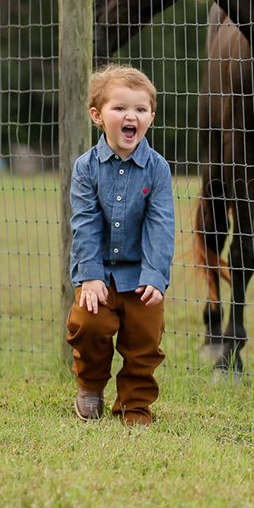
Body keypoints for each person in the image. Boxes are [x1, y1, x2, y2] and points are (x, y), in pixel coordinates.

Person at [65, 64, 175, 425]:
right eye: (120, 108)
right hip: (98, 274)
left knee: (144, 341)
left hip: (141, 275)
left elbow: (161, 225)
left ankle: (135, 405)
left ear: (151, 117)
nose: (131, 116)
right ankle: (90, 387)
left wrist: (155, 275)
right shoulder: (86, 168)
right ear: (97, 116)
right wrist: (90, 276)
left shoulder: (157, 169)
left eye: (140, 109)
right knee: (89, 326)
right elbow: (84, 224)